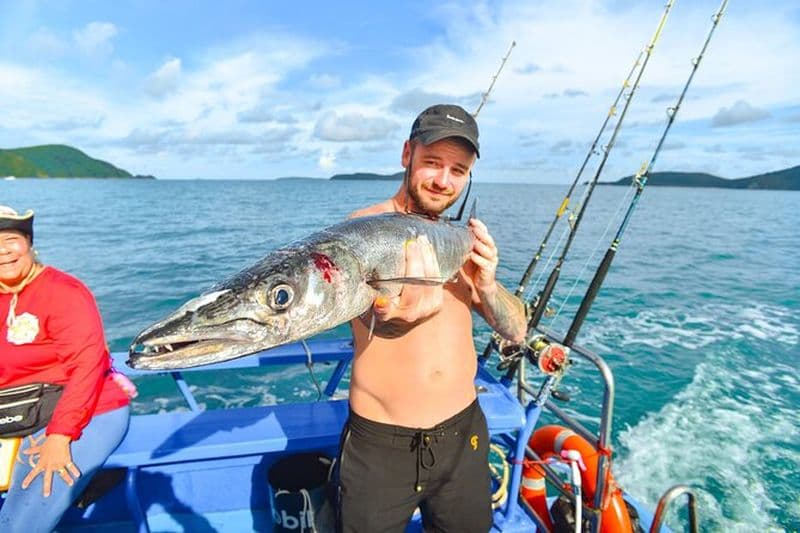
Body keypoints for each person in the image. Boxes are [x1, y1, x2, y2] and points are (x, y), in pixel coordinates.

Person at [336, 104, 528, 532]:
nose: (444, 180)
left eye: (458, 170)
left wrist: (489, 285)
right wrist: (393, 320)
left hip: (464, 436)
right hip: (381, 448)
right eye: (433, 163)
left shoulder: (460, 241)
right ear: (407, 154)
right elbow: (373, 317)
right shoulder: (363, 231)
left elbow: (517, 330)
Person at [0, 206, 132, 533]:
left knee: (23, 513)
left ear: (29, 243)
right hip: (16, 409)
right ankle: (87, 487)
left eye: (11, 240)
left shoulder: (63, 292)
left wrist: (60, 437)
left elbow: (86, 367)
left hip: (84, 409)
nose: (3, 250)